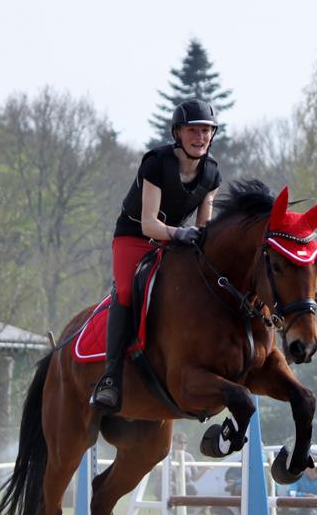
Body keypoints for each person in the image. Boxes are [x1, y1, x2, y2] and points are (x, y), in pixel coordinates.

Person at [89, 99, 222, 412]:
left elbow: (203, 228)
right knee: (124, 291)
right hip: (134, 236)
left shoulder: (212, 174)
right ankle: (110, 377)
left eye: (206, 131)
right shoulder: (156, 163)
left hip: (174, 241)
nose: (200, 137)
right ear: (177, 132)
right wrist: (181, 233)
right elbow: (149, 222)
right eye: (193, 130)